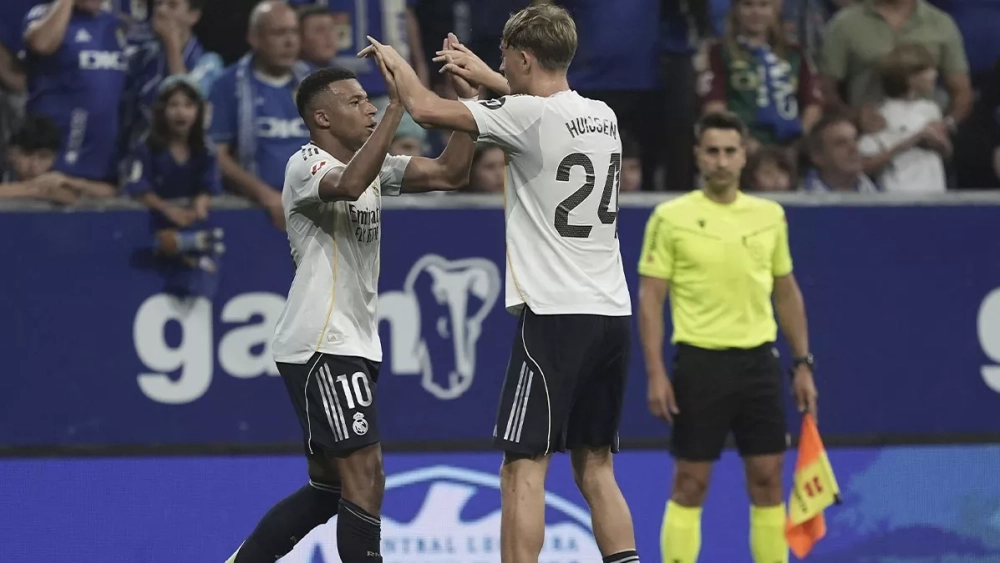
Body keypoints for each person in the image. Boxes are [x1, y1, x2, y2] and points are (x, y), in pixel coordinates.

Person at [358, 6, 641, 563]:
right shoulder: (601, 114)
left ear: (525, 58)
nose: (504, 66)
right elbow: (540, 104)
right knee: (595, 466)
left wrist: (397, 62)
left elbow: (424, 108)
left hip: (555, 316)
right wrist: (490, 78)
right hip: (611, 312)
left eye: (508, 58)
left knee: (521, 467)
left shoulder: (525, 116)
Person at [224, 53, 478, 563]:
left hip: (348, 340)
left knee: (328, 488)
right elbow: (348, 185)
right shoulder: (305, 164)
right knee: (367, 474)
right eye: (357, 101)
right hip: (324, 341)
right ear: (322, 117)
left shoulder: (372, 165)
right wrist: (398, 106)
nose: (370, 107)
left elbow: (450, 173)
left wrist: (469, 110)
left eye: (371, 100)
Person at [636, 110, 818, 563]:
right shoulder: (670, 217)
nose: (721, 161)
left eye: (730, 151)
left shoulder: (769, 216)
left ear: (743, 156)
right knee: (690, 482)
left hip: (758, 363)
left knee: (768, 480)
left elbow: (786, 292)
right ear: (698, 155)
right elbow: (650, 299)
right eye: (712, 151)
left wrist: (802, 364)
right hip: (700, 364)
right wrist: (656, 373)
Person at [124, 76, 224, 298]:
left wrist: (200, 203)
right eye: (174, 105)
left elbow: (209, 184)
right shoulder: (146, 145)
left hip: (190, 226)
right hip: (152, 224)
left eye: (188, 105)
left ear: (198, 111)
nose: (181, 112)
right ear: (162, 110)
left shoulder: (205, 148)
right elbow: (137, 185)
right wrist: (167, 209)